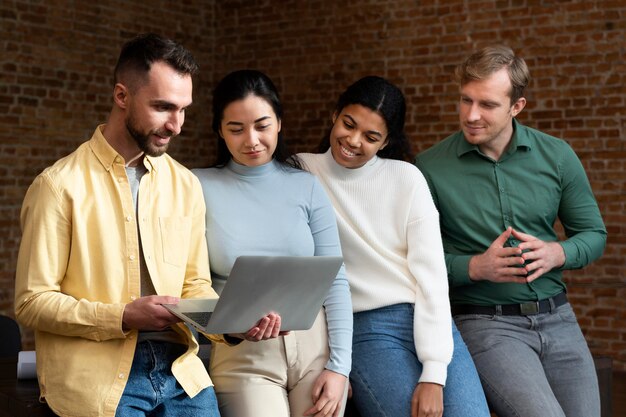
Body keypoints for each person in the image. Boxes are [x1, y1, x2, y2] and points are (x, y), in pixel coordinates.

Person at [14, 34, 281, 417]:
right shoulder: (58, 186)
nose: (176, 124)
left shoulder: (184, 183)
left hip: (181, 372)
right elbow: (31, 302)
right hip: (98, 376)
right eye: (162, 107)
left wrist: (233, 324)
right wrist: (123, 315)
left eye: (183, 109)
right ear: (122, 96)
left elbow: (193, 286)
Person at [415, 45, 607, 417]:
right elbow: (414, 259)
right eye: (465, 100)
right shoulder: (428, 168)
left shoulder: (557, 156)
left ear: (516, 106)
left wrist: (559, 252)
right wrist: (475, 267)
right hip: (485, 322)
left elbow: (594, 234)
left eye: (486, 105)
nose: (471, 115)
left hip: (559, 318)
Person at [298, 76, 490, 417]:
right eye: (349, 124)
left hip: (424, 318)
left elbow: (431, 277)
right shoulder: (301, 172)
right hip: (363, 328)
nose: (353, 141)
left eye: (371, 137)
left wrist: (433, 373)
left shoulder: (406, 179)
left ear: (386, 142)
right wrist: (338, 363)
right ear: (335, 114)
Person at [193, 69, 352, 417]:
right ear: (219, 130)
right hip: (242, 355)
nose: (251, 140)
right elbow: (183, 284)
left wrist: (340, 367)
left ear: (279, 123)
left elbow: (335, 281)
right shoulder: (195, 187)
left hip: (316, 350)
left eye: (262, 125)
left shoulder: (306, 186)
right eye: (236, 128)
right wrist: (228, 329)